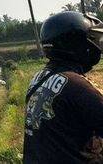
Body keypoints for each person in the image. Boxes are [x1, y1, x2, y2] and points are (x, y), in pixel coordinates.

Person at [23, 11, 103, 163]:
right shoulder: (76, 86)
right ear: (79, 44)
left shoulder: (39, 78)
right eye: (92, 40)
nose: (96, 47)